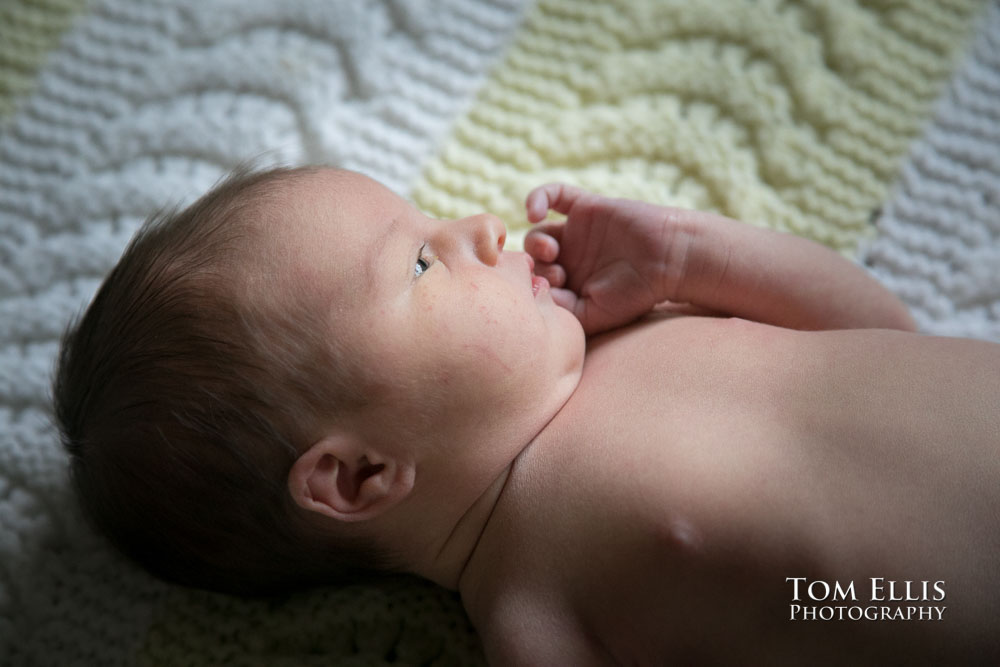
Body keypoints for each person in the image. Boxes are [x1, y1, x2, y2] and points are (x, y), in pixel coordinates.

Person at [54, 166, 1000, 665]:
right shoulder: (533, 616)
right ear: (360, 476)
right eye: (421, 262)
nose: (480, 230)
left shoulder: (639, 324)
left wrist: (686, 255)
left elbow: (881, 331)